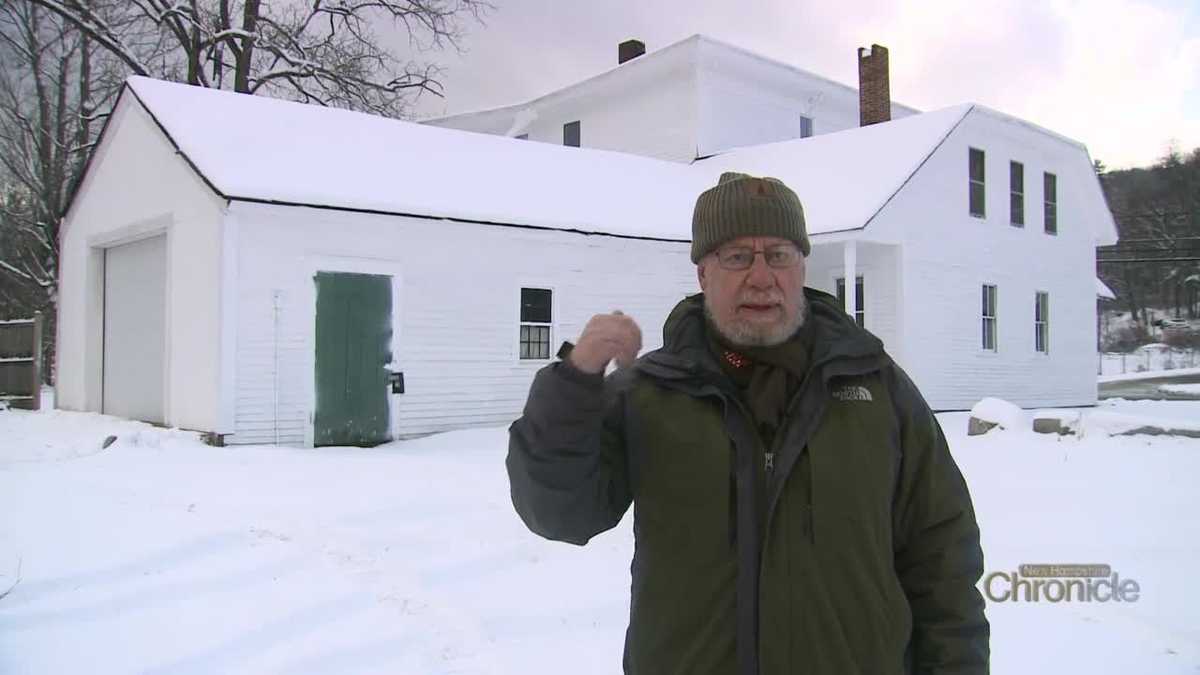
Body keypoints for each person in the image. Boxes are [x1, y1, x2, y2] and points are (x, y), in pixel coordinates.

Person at [506, 172, 989, 675]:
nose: (761, 277)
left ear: (801, 267)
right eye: (737, 256)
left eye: (778, 254)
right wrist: (573, 383)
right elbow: (559, 513)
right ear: (703, 275)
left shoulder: (878, 389)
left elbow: (943, 562)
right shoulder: (650, 393)